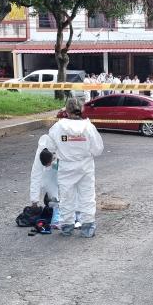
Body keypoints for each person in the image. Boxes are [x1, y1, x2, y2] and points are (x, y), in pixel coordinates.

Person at [47, 98, 104, 237]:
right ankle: (87, 227)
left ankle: (66, 226)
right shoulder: (89, 127)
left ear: (66, 110)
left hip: (66, 167)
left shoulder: (58, 127)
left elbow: (50, 147)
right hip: (85, 167)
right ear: (82, 109)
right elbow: (98, 150)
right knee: (87, 196)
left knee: (66, 197)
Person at [29, 134, 61, 229]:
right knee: (49, 184)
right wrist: (34, 201)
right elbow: (35, 177)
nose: (48, 166)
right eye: (46, 165)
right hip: (55, 164)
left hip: (63, 159)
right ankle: (57, 210)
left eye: (49, 164)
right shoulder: (39, 157)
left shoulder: (61, 147)